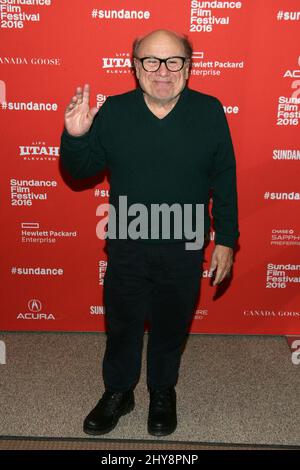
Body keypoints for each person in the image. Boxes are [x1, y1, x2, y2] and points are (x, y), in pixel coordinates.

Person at [59, 29, 239, 437]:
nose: (162, 71)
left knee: (171, 326)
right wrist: (75, 135)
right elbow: (80, 170)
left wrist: (227, 238)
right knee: (122, 325)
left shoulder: (210, 111)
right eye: (151, 62)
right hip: (128, 242)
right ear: (135, 68)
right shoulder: (116, 112)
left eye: (173, 61)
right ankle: (119, 392)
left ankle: (162, 391)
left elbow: (224, 177)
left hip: (184, 243)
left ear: (188, 68)